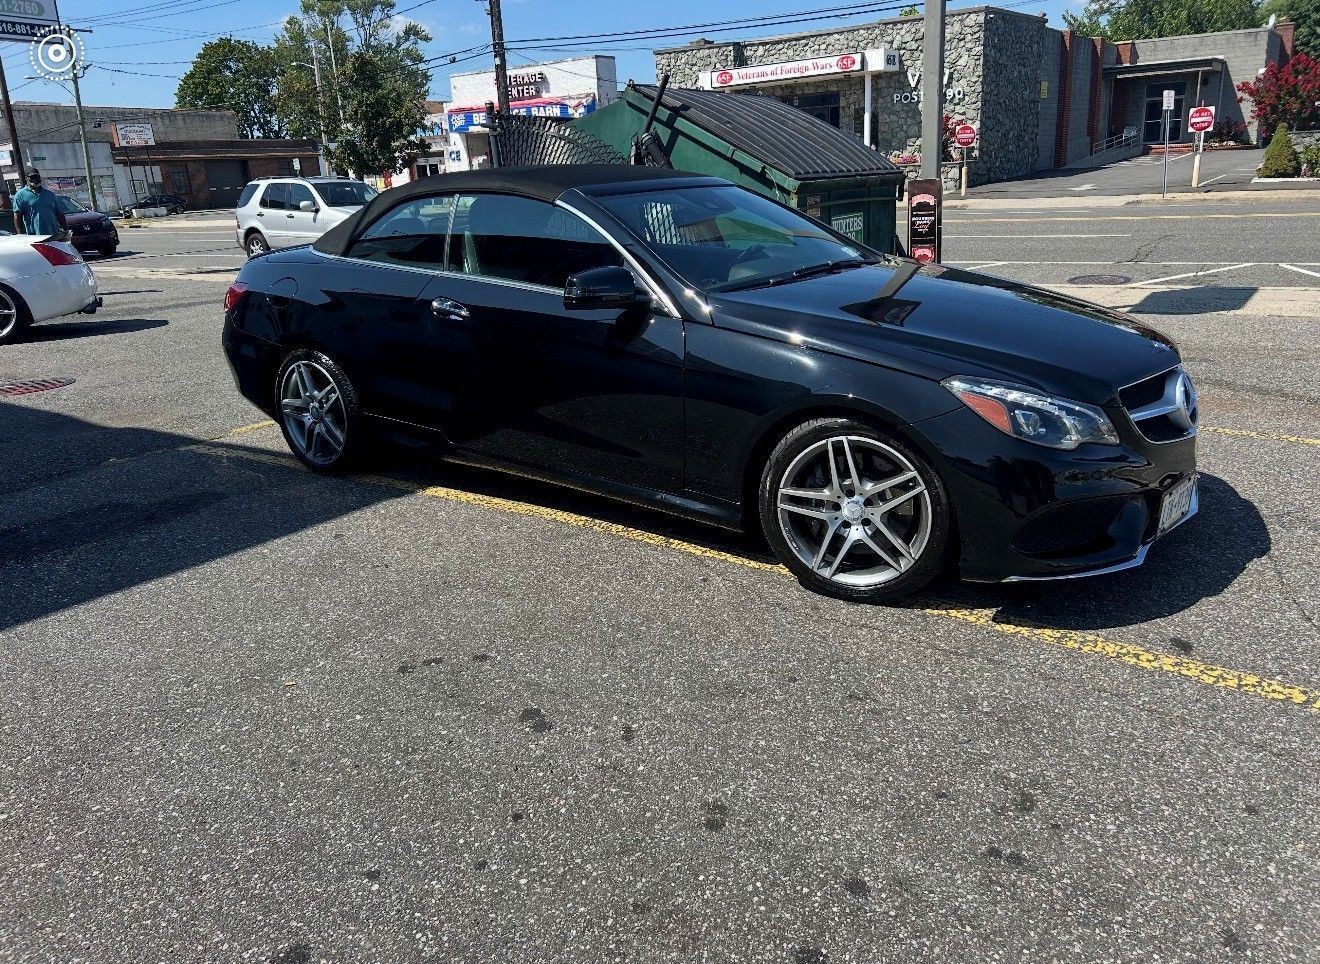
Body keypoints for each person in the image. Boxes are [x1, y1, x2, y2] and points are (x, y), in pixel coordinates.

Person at [13, 170, 66, 236]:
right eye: (32, 177)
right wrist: (19, 234)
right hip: (35, 237)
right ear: (26, 178)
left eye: (37, 177)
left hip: (54, 235)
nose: (35, 179)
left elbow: (59, 214)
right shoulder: (20, 195)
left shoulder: (50, 194)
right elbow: (17, 216)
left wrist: (66, 230)